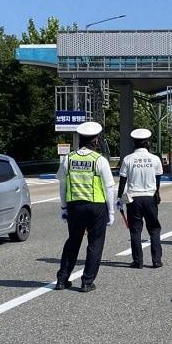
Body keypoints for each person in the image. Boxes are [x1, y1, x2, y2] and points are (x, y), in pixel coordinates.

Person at [55, 121, 115, 292]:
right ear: (95, 141)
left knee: (73, 241)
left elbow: (62, 184)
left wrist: (63, 207)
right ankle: (87, 282)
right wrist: (111, 211)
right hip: (96, 206)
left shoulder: (69, 158)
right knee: (95, 243)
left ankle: (62, 279)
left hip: (74, 206)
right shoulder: (99, 160)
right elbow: (108, 186)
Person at [117, 128, 164, 269]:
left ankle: (138, 261)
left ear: (134, 143)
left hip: (133, 199)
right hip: (150, 198)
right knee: (154, 229)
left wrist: (120, 199)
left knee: (135, 230)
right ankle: (156, 260)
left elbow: (123, 181)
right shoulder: (155, 159)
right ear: (148, 143)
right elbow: (158, 180)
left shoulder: (128, 159)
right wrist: (157, 193)